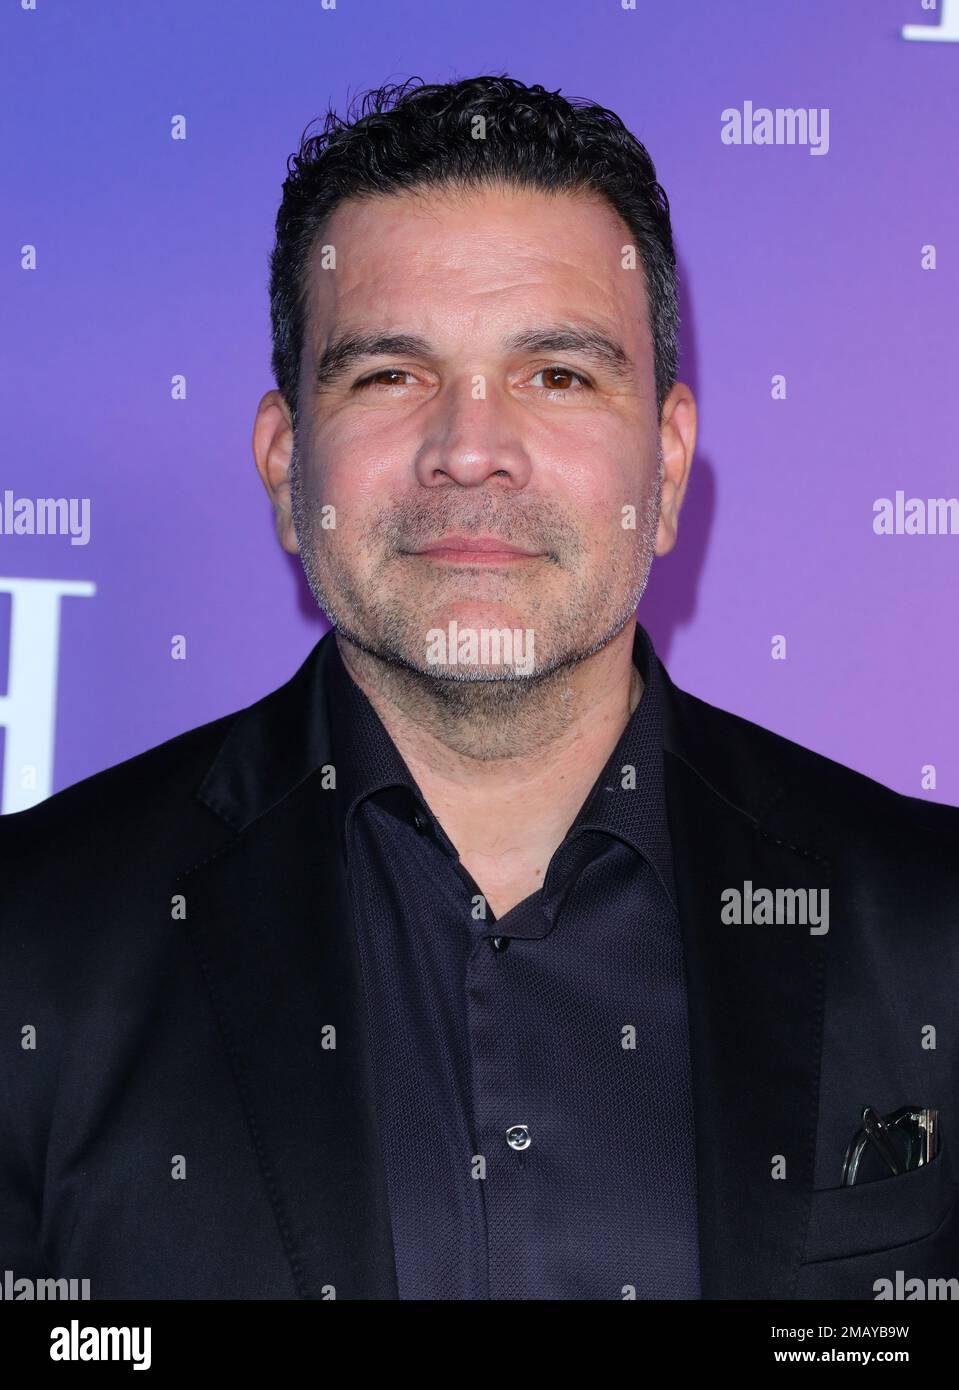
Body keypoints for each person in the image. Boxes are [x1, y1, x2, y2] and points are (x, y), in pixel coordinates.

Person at [1, 76, 956, 1301]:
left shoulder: (924, 928)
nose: (468, 448)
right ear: (286, 463)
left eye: (556, 374)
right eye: (389, 374)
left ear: (664, 467)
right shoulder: (33, 944)